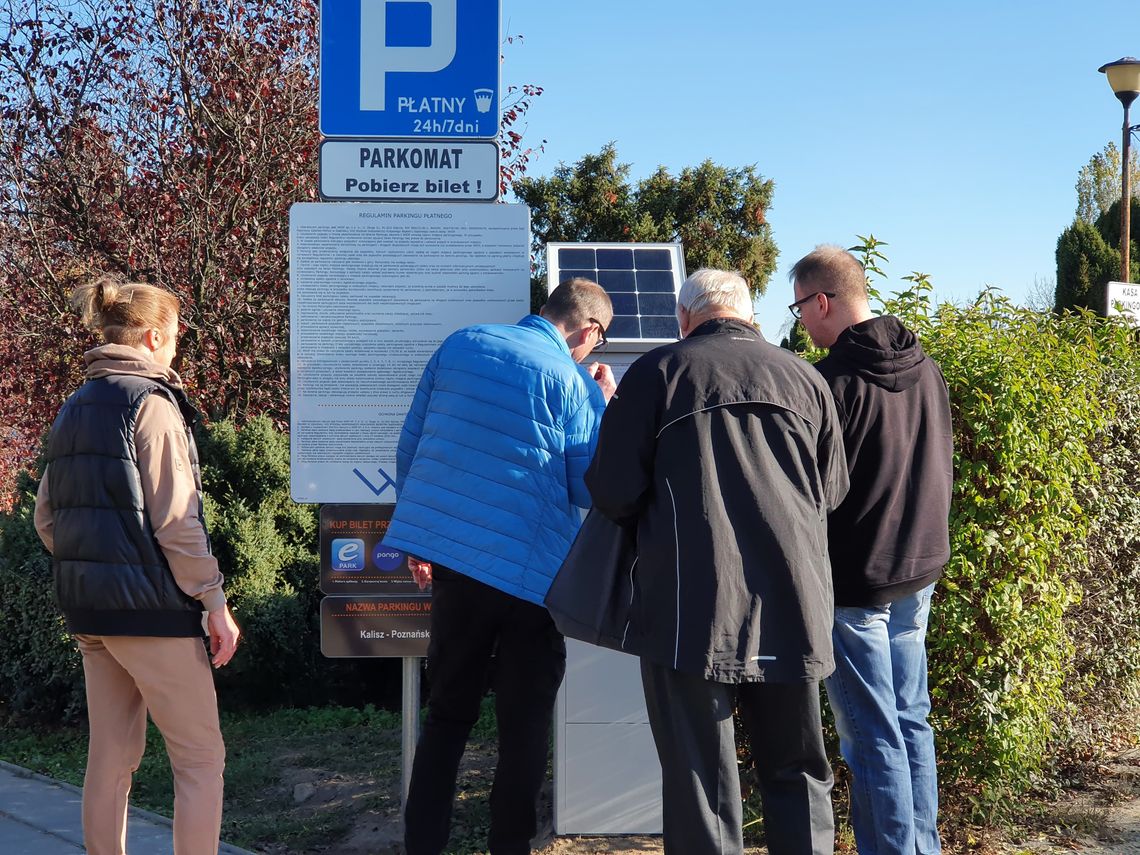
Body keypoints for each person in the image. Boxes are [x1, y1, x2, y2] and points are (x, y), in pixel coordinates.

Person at [585, 268, 849, 855]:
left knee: (701, 781)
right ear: (750, 315)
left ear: (684, 318)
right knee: (799, 771)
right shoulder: (806, 379)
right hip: (795, 602)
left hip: (689, 608)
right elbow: (829, 493)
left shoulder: (658, 373)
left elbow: (613, 491)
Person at [382, 278, 616, 855]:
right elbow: (586, 487)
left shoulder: (462, 343)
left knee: (446, 718)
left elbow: (410, 448)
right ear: (588, 330)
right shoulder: (573, 382)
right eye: (598, 343)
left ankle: (423, 848)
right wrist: (603, 407)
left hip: (458, 570)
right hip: (534, 581)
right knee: (523, 729)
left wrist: (423, 542)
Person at [33, 276, 240, 855]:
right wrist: (215, 602)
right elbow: (178, 523)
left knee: (111, 759)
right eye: (174, 338)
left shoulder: (73, 409)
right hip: (154, 615)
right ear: (152, 337)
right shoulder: (150, 404)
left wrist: (100, 566)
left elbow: (47, 519)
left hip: (91, 611)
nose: (176, 350)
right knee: (200, 758)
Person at [788, 245, 953, 855]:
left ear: (822, 300)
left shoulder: (831, 384)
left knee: (872, 735)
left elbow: (812, 494)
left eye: (801, 306)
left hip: (856, 581)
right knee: (911, 720)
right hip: (919, 569)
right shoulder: (926, 366)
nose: (801, 321)